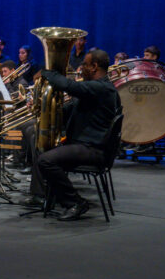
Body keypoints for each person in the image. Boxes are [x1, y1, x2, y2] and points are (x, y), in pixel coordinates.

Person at [30, 49, 121, 221]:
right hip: (83, 145)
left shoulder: (102, 88)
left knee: (46, 160)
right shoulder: (93, 90)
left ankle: (74, 202)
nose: (81, 69)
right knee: (41, 146)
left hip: (93, 149)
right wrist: (42, 107)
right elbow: (67, 111)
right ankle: (46, 195)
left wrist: (47, 73)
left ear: (94, 66)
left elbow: (70, 86)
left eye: (85, 65)